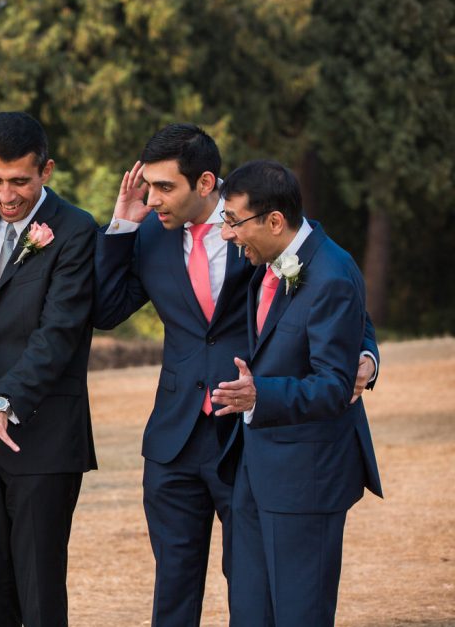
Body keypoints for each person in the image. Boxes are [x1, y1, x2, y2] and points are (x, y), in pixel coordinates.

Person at [93, 124, 380, 626]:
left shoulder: (258, 222)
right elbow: (105, 309)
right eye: (148, 187)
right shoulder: (149, 236)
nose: (152, 198)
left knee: (254, 589)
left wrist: (367, 359)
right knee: (174, 586)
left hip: (249, 440)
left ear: (205, 183)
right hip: (175, 437)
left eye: (164, 187)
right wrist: (120, 227)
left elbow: (338, 295)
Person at [213, 160, 383, 626]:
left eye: (233, 222)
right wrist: (368, 353)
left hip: (307, 478)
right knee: (248, 613)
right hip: (254, 469)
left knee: (298, 614)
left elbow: (333, 386)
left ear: (274, 221)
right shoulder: (267, 255)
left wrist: (258, 396)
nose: (227, 234)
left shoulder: (332, 272)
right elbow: (358, 327)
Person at [0, 111, 98, 627]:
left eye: (20, 180)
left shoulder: (76, 230)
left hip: (42, 435)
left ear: (47, 170)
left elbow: (58, 333)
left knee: (39, 590)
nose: (6, 194)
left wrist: (4, 401)